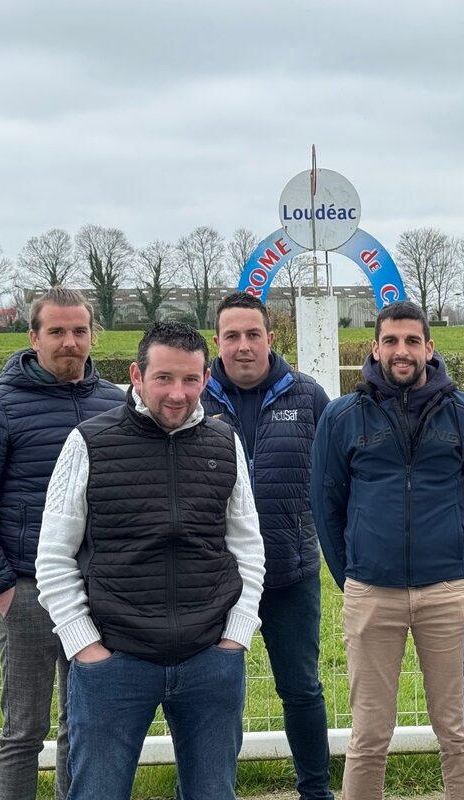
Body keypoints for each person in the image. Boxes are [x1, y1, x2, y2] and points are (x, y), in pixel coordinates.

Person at [35, 321, 266, 800]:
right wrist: (85, 648)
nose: (178, 394)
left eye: (190, 379)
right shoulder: (88, 442)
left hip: (210, 659)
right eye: (164, 378)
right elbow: (54, 556)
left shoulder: (226, 445)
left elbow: (248, 547)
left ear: (207, 379)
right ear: (137, 376)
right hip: (114, 661)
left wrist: (236, 636)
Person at [311, 301, 464, 800]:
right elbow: (326, 506)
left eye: (412, 341)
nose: (401, 351)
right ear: (375, 347)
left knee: (460, 734)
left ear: (429, 349)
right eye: (391, 341)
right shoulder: (341, 416)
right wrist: (353, 573)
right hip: (372, 593)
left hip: (450, 594)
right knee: (369, 736)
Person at [0, 286, 125, 800]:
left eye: (79, 331)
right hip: (27, 593)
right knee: (24, 732)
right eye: (57, 331)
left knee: (82, 726)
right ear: (33, 337)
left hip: (96, 594)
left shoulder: (115, 404)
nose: (70, 342)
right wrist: (4, 589)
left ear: (93, 335)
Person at [202, 292, 333, 800]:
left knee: (301, 690)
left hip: (289, 571)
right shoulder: (195, 398)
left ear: (270, 339)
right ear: (218, 342)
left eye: (252, 334)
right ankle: (214, 790)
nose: (243, 346)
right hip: (213, 579)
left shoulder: (307, 396)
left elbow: (337, 479)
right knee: (216, 696)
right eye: (231, 336)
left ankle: (315, 791)